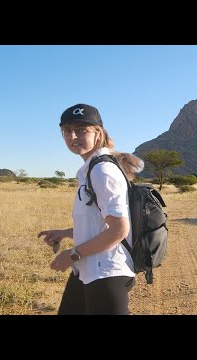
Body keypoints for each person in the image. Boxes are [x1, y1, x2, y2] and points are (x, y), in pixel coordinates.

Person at [37, 103, 143, 315]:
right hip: (88, 270)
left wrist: (73, 254)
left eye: (81, 130)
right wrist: (65, 233)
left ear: (98, 133)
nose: (73, 136)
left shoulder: (102, 170)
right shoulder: (90, 169)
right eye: (67, 131)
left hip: (106, 273)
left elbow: (118, 230)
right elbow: (99, 224)